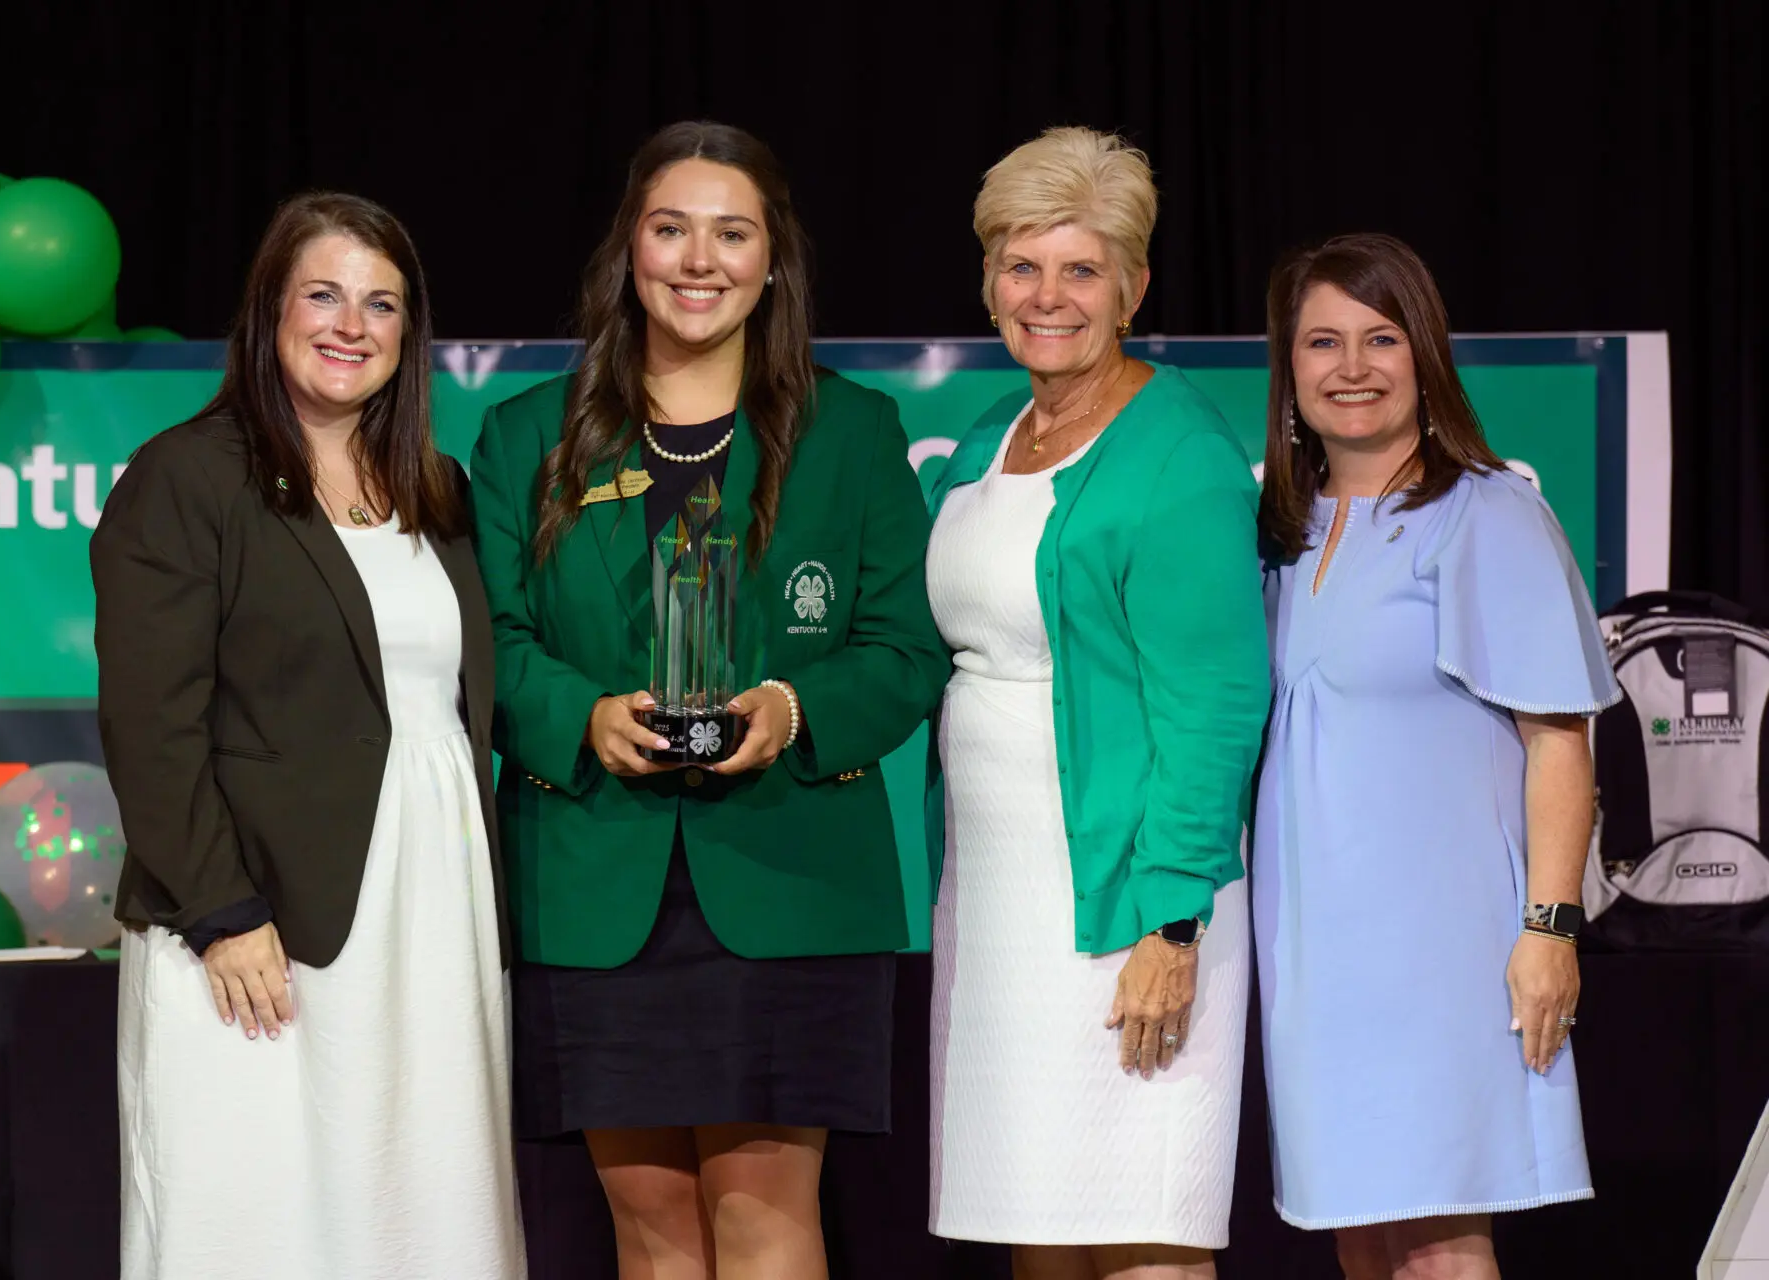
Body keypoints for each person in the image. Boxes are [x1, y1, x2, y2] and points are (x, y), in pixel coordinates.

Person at [471, 120, 949, 1280]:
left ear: (772, 257)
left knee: (768, 1219)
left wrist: (791, 709)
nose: (700, 259)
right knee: (650, 1230)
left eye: (732, 232)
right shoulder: (526, 433)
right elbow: (490, 644)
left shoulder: (855, 432)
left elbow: (905, 649)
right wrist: (581, 716)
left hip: (789, 878)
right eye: (671, 228)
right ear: (628, 248)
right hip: (591, 884)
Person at [92, 192, 524, 1278]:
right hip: (256, 930)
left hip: (431, 909)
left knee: (421, 1212)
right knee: (253, 1221)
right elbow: (153, 718)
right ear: (270, 311)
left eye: (382, 303)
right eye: (323, 294)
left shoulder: (439, 487)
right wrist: (221, 909)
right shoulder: (188, 477)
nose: (352, 324)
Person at [925, 126, 1272, 1280]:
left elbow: (1218, 701)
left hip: (1128, 902)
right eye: (1022, 266)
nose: (1048, 295)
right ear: (989, 283)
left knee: (1145, 1237)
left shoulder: (1179, 450)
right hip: (1001, 904)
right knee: (1042, 1228)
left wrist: (1170, 925)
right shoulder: (989, 436)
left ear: (1134, 284)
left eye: (1080, 269)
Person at [1252, 232, 1620, 1280]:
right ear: (1290, 369)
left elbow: (1560, 739)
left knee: (1440, 1244)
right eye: (1322, 341)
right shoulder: (1283, 527)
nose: (1352, 366)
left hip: (1445, 952)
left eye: (1381, 337)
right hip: (1317, 956)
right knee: (1361, 1235)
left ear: (1427, 356)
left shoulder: (1487, 512)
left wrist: (1549, 927)